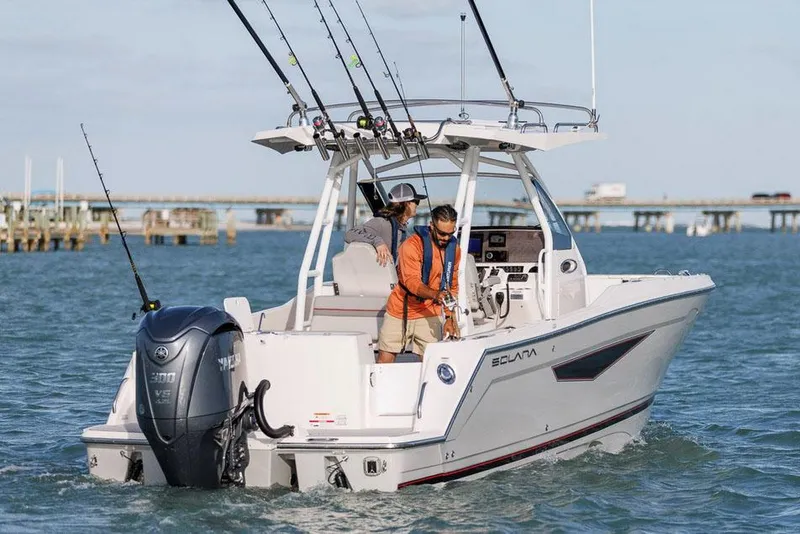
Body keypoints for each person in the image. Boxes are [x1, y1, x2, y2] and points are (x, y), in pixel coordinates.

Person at [377, 205, 461, 364]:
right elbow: (412, 283)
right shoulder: (411, 246)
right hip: (400, 309)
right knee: (384, 363)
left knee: (433, 363)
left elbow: (453, 286)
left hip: (430, 311)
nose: (445, 238)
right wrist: (436, 294)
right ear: (431, 226)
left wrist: (450, 316)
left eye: (450, 234)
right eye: (442, 233)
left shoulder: (454, 250)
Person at [344, 183, 426, 267]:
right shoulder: (382, 222)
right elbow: (350, 234)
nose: (417, 205)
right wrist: (378, 242)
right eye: (416, 201)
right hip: (383, 278)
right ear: (406, 203)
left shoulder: (404, 230)